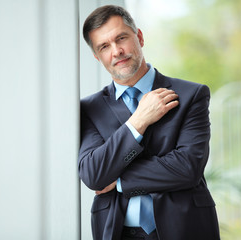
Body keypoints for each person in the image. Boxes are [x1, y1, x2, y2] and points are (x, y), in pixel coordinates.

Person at [78, 5, 220, 240]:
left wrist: (120, 180)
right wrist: (139, 121)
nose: (116, 51)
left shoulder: (190, 95)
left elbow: (187, 168)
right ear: (97, 56)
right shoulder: (89, 109)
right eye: (104, 46)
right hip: (117, 232)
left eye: (121, 38)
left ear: (139, 37)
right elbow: (93, 175)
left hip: (185, 229)